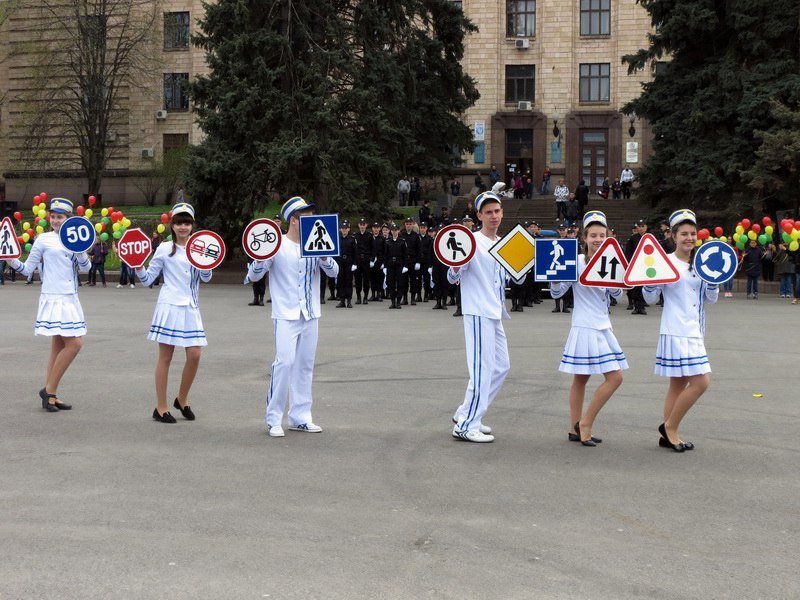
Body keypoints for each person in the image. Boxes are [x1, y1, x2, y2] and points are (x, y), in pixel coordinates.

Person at [245, 196, 339, 437]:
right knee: (284, 363)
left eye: (310, 213)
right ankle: (273, 417)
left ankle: (300, 416)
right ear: (294, 220)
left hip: (310, 313)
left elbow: (334, 271)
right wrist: (261, 258)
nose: (310, 218)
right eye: (305, 215)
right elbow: (255, 277)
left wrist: (325, 257)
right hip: (285, 314)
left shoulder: (317, 241)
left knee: (305, 366)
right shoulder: (276, 245)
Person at [643, 209, 718, 452]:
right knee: (701, 382)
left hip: (695, 329)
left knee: (678, 383)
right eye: (683, 233)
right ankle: (670, 428)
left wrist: (714, 279)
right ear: (673, 236)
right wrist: (649, 281)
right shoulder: (664, 262)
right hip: (676, 330)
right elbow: (651, 298)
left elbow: (710, 299)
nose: (689, 237)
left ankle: (669, 433)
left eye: (692, 233)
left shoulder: (702, 262)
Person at [551, 211, 627, 446]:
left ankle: (578, 425)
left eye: (602, 235)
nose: (597, 239)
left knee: (588, 378)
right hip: (585, 326)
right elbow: (556, 293)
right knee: (609, 378)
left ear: (608, 236)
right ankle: (582, 424)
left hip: (603, 325)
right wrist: (554, 277)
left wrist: (615, 282)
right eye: (593, 235)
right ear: (584, 237)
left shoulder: (610, 259)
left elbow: (617, 294)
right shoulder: (576, 262)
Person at [8, 197, 90, 412]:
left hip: (70, 297)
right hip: (53, 297)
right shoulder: (43, 239)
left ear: (68, 219)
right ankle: (49, 390)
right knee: (74, 344)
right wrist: (9, 259)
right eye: (52, 216)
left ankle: (51, 394)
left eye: (59, 217)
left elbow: (85, 268)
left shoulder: (75, 238)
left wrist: (80, 249)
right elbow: (27, 269)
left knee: (58, 346)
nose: (55, 220)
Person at [135, 202, 211, 424]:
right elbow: (148, 280)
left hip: (190, 308)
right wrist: (138, 266)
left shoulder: (202, 248)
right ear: (172, 225)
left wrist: (206, 264)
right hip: (169, 307)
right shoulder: (164, 249)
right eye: (179, 223)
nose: (183, 227)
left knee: (195, 354)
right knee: (165, 357)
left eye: (186, 223)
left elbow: (206, 279)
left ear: (192, 225)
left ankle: (182, 398)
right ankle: (161, 407)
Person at [448, 191, 511, 443]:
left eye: (496, 211)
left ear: (502, 212)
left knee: (502, 367)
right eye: (488, 212)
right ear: (479, 216)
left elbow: (513, 276)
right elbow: (452, 277)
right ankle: (465, 425)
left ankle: (468, 412)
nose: (493, 216)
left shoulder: (505, 242)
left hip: (495, 311)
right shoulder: (470, 242)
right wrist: (456, 266)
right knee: (481, 370)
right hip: (477, 311)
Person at [382, 222, 408, 309]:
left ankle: (398, 302)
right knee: (390, 283)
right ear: (391, 231)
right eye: (393, 230)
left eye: (396, 230)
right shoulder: (387, 242)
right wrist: (385, 266)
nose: (394, 232)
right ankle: (393, 302)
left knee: (400, 284)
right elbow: (385, 255)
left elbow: (405, 255)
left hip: (399, 265)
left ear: (398, 231)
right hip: (390, 265)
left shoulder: (402, 241)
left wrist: (405, 266)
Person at [625, 219, 648, 314]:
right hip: (635, 266)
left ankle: (642, 307)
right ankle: (636, 306)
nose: (641, 228)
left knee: (644, 287)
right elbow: (628, 252)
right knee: (635, 288)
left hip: (646, 265)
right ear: (637, 228)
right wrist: (629, 264)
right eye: (639, 226)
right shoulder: (633, 238)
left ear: (646, 227)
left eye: (643, 226)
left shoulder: (649, 238)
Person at [335, 220, 357, 308]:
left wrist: (355, 264)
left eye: (346, 228)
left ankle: (349, 301)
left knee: (348, 282)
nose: (344, 230)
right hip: (340, 263)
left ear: (348, 229)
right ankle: (342, 301)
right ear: (340, 229)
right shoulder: (337, 239)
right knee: (341, 282)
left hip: (349, 263)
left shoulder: (352, 239)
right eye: (342, 228)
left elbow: (355, 252)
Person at [353, 218, 373, 305]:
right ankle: (358, 297)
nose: (362, 226)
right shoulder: (355, 235)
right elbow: (352, 249)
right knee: (357, 279)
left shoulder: (369, 236)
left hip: (366, 259)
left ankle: (365, 297)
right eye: (360, 224)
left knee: (366, 279)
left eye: (363, 224)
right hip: (357, 259)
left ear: (366, 225)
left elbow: (373, 248)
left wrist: (372, 260)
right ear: (358, 225)